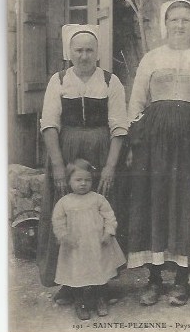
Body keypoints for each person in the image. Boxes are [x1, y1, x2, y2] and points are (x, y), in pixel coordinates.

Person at [127, 0, 190, 306]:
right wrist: (135, 143)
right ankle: (154, 279)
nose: (180, 25)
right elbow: (135, 105)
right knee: (154, 202)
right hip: (153, 143)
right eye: (174, 20)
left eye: (186, 20)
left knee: (184, 203)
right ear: (164, 24)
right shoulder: (151, 59)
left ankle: (181, 281)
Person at [37, 24, 128, 304]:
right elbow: (50, 125)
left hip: (102, 155)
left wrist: (111, 166)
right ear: (69, 52)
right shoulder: (60, 80)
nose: (84, 55)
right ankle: (69, 283)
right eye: (78, 50)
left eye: (90, 50)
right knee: (68, 217)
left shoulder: (111, 82)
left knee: (99, 218)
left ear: (97, 53)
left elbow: (120, 127)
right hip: (68, 155)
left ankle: (102, 283)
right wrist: (57, 167)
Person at [52, 159, 126, 320]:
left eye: (87, 180)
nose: (83, 184)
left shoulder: (98, 199)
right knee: (77, 274)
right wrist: (64, 236)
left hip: (97, 244)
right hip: (75, 247)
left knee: (99, 272)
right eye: (78, 180)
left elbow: (109, 217)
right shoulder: (64, 202)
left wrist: (109, 232)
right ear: (69, 181)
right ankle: (80, 302)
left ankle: (100, 299)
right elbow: (57, 222)